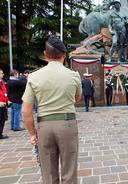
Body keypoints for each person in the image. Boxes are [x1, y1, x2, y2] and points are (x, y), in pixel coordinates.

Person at [22, 35, 82, 184]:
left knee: (48, 172)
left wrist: (32, 134)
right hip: (67, 124)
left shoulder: (34, 76)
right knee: (69, 169)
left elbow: (26, 110)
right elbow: (77, 99)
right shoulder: (73, 75)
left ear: (45, 54)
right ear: (64, 55)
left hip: (44, 126)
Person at [0, 69, 9, 139]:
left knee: (3, 119)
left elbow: (4, 92)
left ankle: (0, 133)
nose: (3, 74)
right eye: (2, 73)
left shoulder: (2, 82)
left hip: (4, 104)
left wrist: (7, 100)